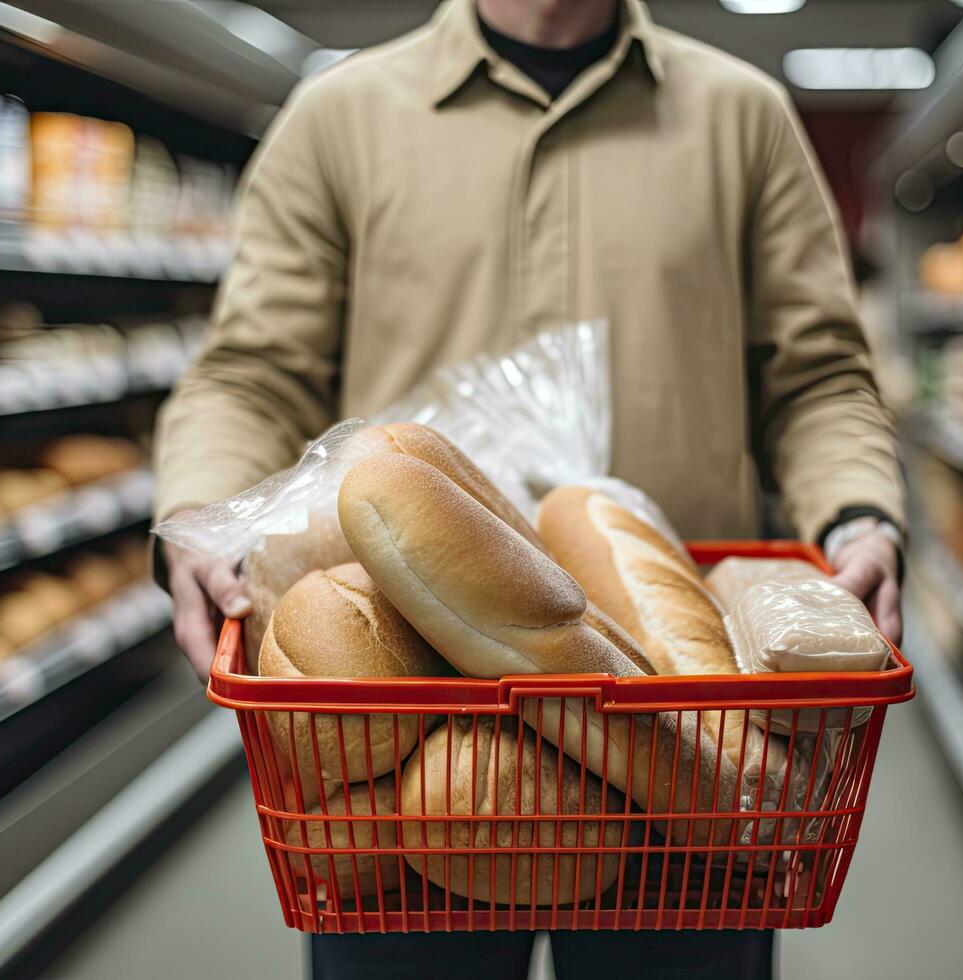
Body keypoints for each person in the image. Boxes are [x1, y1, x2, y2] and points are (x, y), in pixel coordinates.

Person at [154, 0, 903, 976]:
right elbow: (252, 372)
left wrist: (860, 512)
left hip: (681, 722)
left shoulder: (741, 116)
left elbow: (818, 377)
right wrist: (200, 519)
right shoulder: (338, 114)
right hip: (412, 727)